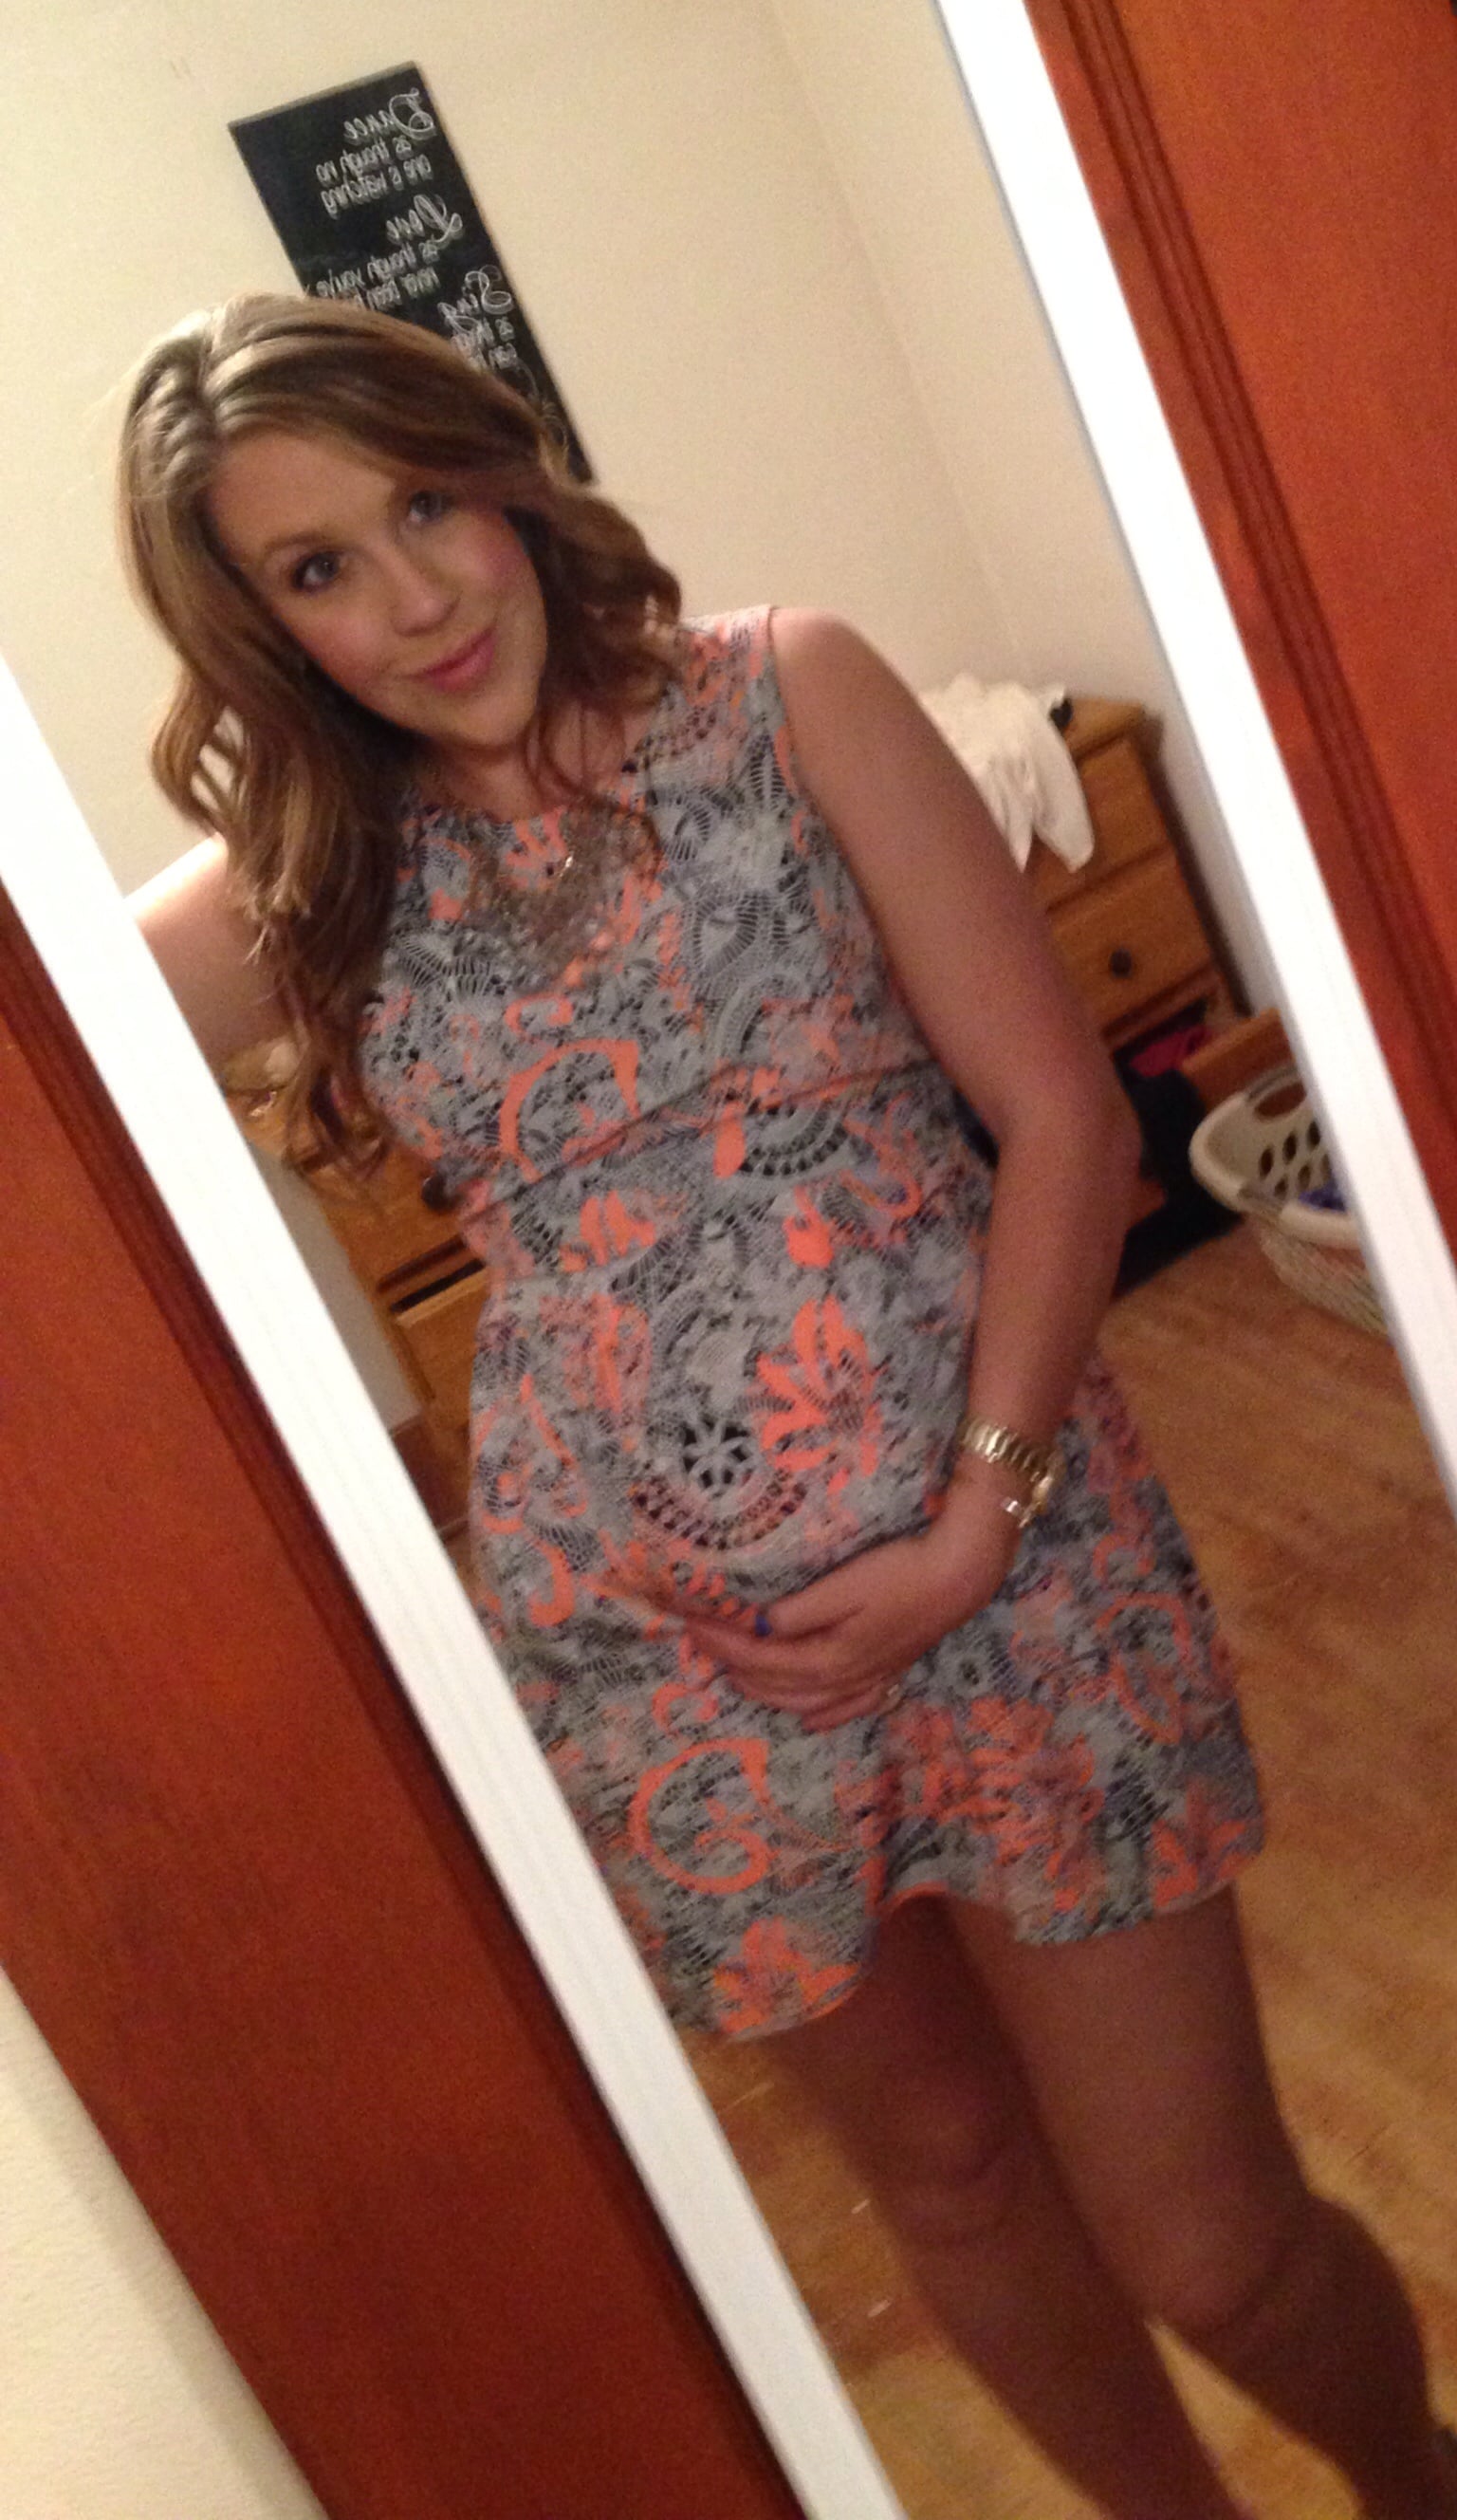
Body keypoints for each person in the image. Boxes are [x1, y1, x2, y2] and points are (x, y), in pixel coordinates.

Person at [120, 293, 1454, 2520]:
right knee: (951, 2176)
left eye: (425, 503)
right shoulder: (318, 870)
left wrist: (976, 1514)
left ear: (502, 471)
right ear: (261, 629)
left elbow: (1063, 1118)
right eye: (319, 566)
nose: (418, 597)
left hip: (1010, 1566)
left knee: (1208, 2236)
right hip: (664, 1664)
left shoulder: (781, 687)